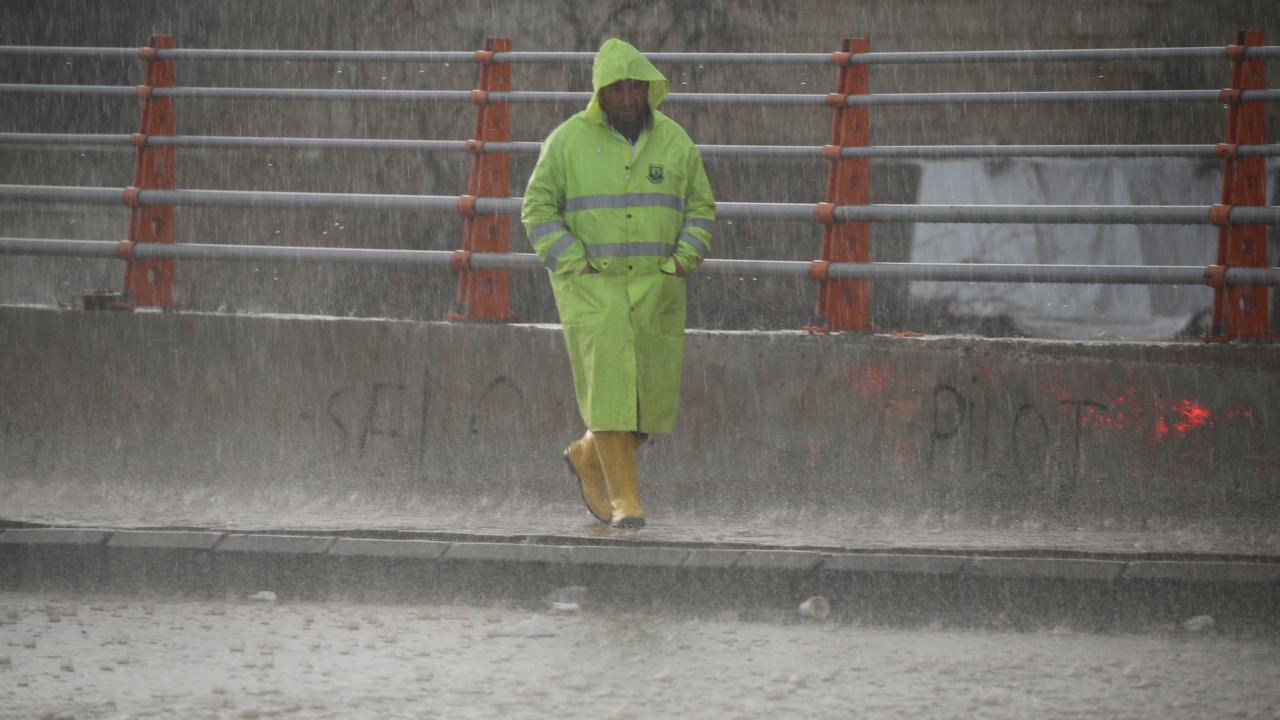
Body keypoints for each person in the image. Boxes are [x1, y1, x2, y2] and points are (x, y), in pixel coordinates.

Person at [522, 38, 715, 529]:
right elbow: (537, 210)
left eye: (635, 87)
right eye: (617, 89)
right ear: (600, 93)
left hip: (656, 288)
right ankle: (626, 502)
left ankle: (587, 454)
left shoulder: (675, 142)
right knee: (610, 395)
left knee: (647, 403)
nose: (628, 98)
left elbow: (700, 208)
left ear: (649, 89)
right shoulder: (567, 142)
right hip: (594, 290)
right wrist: (574, 263)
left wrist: (682, 261)